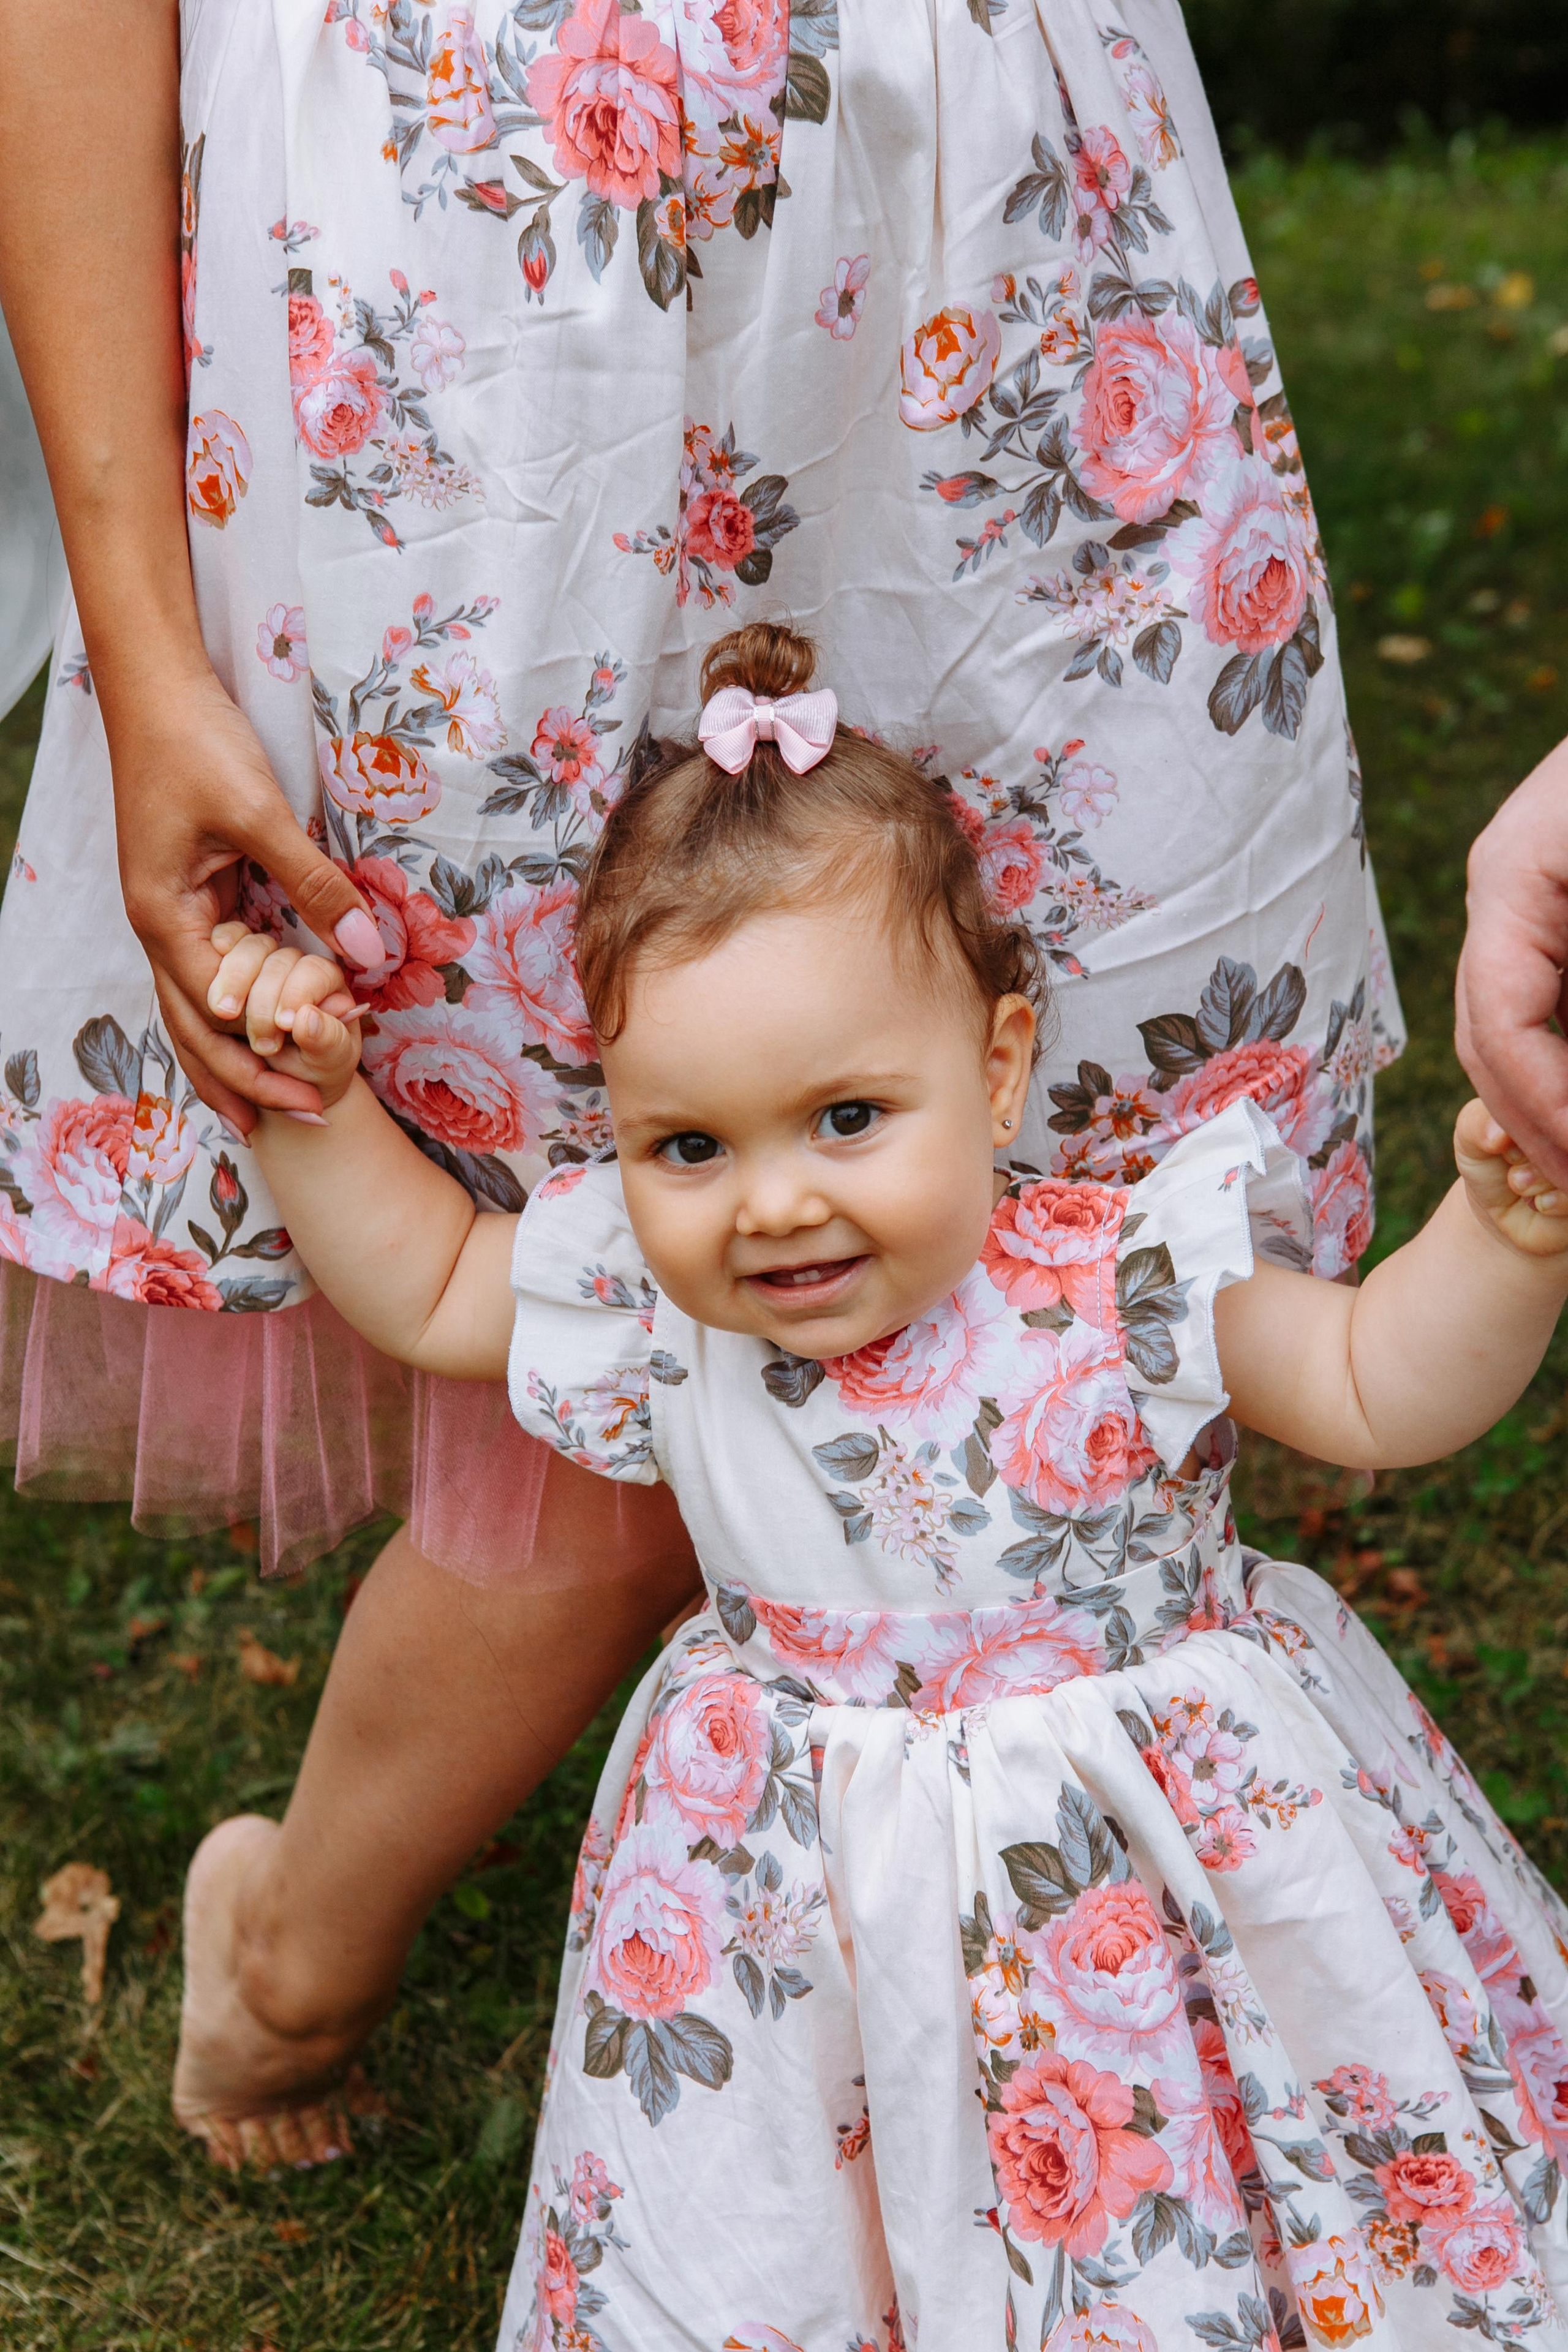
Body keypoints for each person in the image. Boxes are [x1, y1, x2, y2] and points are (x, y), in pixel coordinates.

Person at [0, 0, 1400, 2163]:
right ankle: (289, 1959)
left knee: (1037, 1239)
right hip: (494, 352)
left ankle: (1024, 2030)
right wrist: (145, 636)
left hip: (982, 283)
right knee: (621, 1308)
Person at [213, 621, 1568, 2350]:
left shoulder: (1118, 1279)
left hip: (1131, 1861)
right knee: (784, 2200)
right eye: (687, 1146)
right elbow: (422, 1285)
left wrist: (1509, 1234)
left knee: (1164, 2160)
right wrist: (311, 1105)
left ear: (998, 1070)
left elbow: (1379, 1384)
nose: (771, 1201)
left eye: (847, 1117)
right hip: (797, 1883)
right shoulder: (656, 1314)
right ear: (619, 1134)